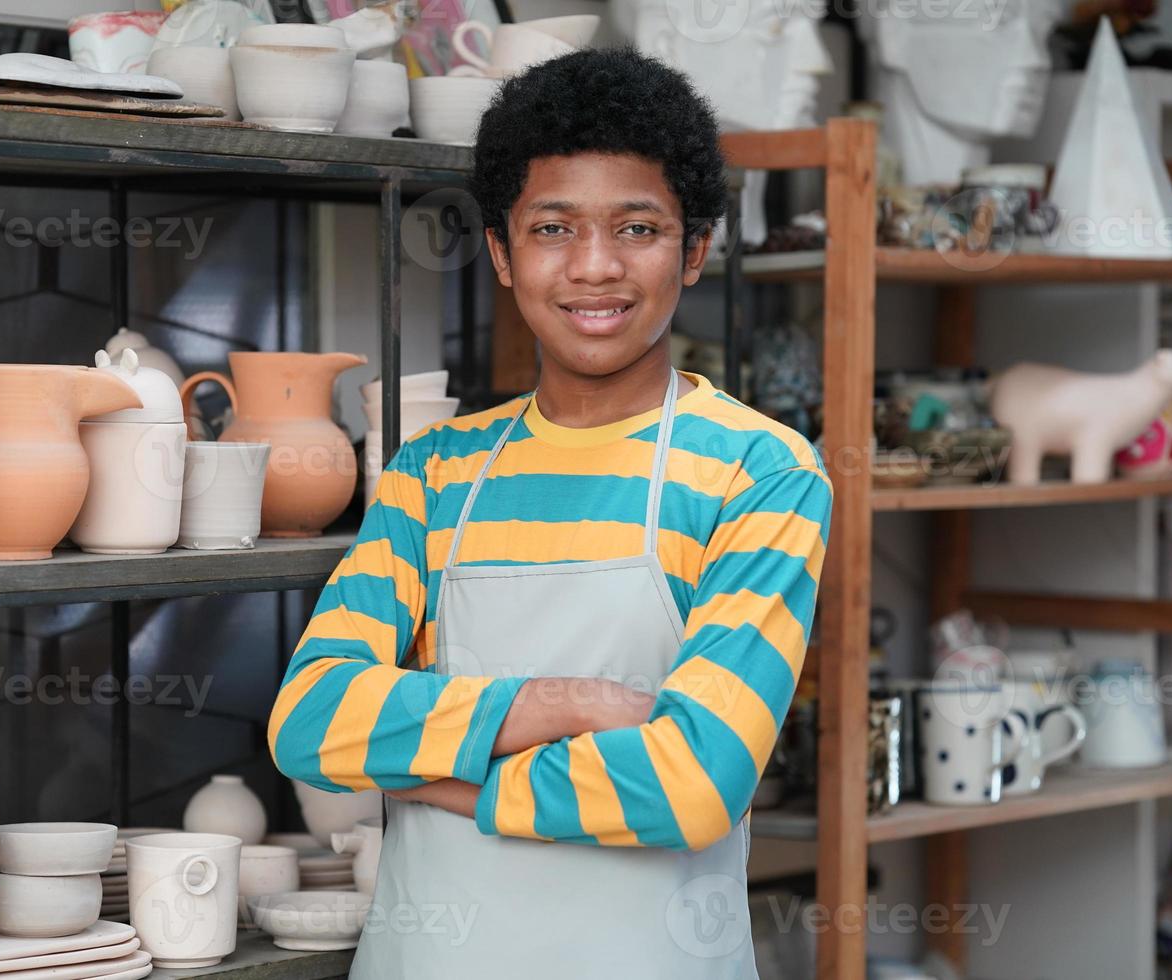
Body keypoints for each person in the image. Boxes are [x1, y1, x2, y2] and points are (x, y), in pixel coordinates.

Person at [268, 47, 832, 980]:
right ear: (501, 251)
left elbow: (693, 786)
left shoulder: (759, 474)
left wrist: (436, 768)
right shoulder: (433, 473)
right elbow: (310, 719)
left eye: (639, 227)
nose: (595, 267)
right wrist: (558, 704)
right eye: (553, 227)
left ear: (694, 250)